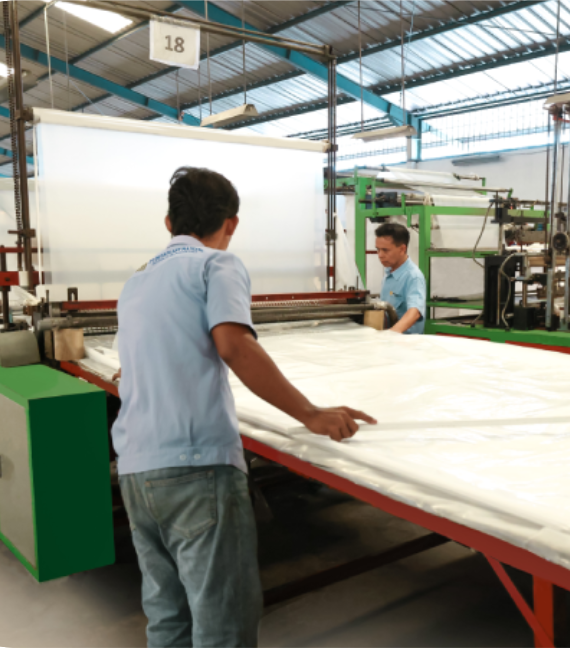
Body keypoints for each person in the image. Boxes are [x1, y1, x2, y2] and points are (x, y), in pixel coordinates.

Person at [111, 167, 376, 648]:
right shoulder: (216, 265)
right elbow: (234, 345)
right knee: (223, 625)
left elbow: (134, 361)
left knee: (168, 618)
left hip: (135, 472)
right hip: (196, 469)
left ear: (168, 223)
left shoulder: (137, 282)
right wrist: (311, 413)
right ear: (231, 223)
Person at [375, 222, 427, 334]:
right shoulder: (388, 275)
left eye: (385, 250)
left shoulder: (413, 276)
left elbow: (415, 312)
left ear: (402, 249)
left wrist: (391, 333)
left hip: (405, 343)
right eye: (378, 250)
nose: (380, 255)